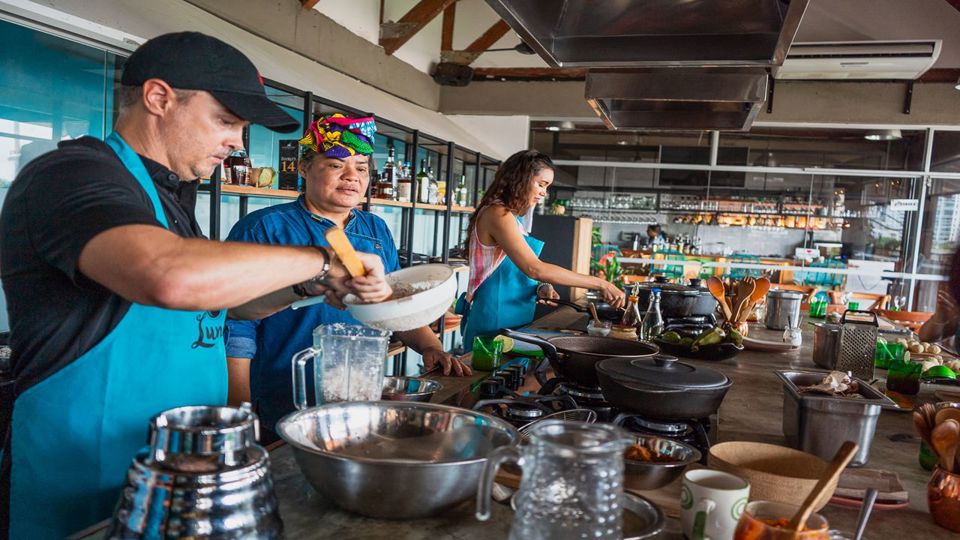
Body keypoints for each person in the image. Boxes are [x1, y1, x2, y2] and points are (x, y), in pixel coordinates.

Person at [0, 32, 392, 539]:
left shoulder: (170, 202)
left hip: (177, 482)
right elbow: (168, 276)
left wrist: (315, 284)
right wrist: (319, 256)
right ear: (159, 98)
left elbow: (227, 306)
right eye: (226, 122)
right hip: (85, 487)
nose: (237, 142)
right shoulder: (71, 173)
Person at [225, 114, 471, 435]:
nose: (352, 176)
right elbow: (236, 324)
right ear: (304, 168)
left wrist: (430, 347)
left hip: (358, 390)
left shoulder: (375, 228)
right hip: (283, 390)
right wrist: (239, 404)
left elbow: (391, 304)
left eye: (362, 167)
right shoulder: (263, 228)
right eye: (336, 165)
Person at [456, 150, 625, 347]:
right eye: (541, 184)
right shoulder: (497, 213)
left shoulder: (513, 218)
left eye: (547, 186)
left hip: (515, 318)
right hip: (494, 321)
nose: (544, 192)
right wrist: (601, 284)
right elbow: (534, 268)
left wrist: (540, 287)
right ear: (521, 178)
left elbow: (515, 270)